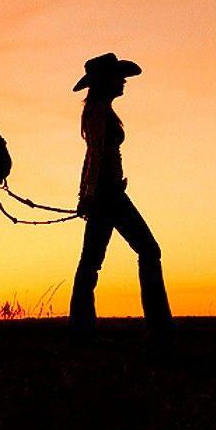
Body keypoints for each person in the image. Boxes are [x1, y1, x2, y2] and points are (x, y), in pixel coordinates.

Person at [70, 53, 172, 337]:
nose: (124, 81)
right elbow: (97, 154)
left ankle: (81, 325)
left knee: (91, 259)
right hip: (109, 195)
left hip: (106, 193)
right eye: (118, 76)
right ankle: (158, 323)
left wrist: (85, 194)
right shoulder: (100, 112)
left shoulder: (98, 110)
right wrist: (89, 193)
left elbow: (92, 155)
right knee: (148, 250)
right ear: (106, 81)